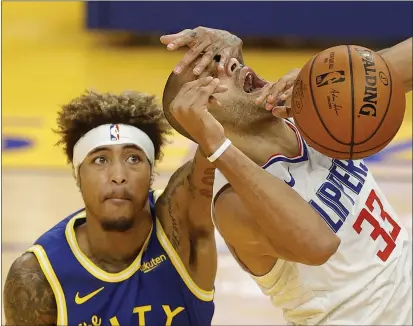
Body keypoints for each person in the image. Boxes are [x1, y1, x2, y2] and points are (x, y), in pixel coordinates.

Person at [161, 27, 412, 325]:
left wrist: (331, 79)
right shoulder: (231, 202)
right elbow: (319, 245)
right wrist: (213, 143)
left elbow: (387, 72)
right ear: (201, 113)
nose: (231, 63)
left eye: (228, 59)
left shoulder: (311, 114)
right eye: (212, 75)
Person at [3, 90, 228, 325]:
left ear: (151, 173)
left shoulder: (179, 227)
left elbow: (214, 149)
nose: (118, 176)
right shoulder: (38, 278)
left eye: (133, 159)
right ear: (77, 175)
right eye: (100, 160)